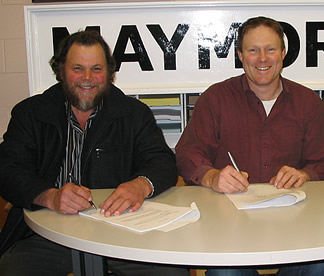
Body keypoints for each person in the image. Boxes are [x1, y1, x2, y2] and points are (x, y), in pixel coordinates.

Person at [0, 30, 188, 275]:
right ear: (61, 71)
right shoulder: (30, 113)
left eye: (97, 69)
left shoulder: (134, 114)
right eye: (77, 68)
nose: (87, 78)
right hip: (45, 235)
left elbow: (162, 162)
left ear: (109, 74)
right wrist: (49, 196)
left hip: (122, 233)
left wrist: (141, 185)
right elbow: (7, 169)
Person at [176, 16, 324, 275]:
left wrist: (304, 174)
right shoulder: (215, 99)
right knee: (224, 271)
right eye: (253, 50)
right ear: (240, 55)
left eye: (270, 49)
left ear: (283, 53)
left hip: (295, 223)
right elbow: (187, 153)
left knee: (321, 263)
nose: (263, 59)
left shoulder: (308, 103)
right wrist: (211, 176)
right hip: (228, 224)